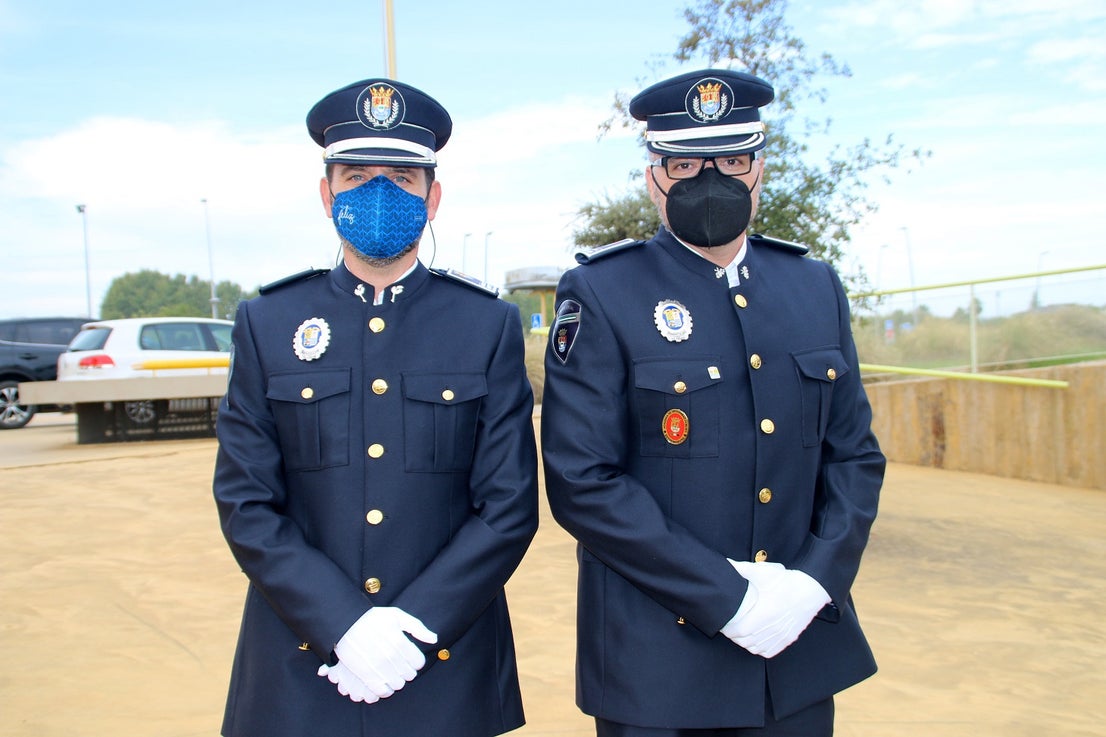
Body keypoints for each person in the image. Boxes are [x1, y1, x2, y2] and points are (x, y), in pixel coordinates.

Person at [540, 68, 886, 736]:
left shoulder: (813, 287)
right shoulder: (603, 291)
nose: (710, 181)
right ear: (653, 178)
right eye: (685, 164)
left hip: (794, 657)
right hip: (656, 669)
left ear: (760, 169)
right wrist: (730, 598)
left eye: (731, 160)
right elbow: (582, 481)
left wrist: (815, 582)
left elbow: (855, 458)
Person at [212, 78, 539, 737]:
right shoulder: (268, 322)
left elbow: (507, 507)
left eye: (403, 177)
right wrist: (343, 624)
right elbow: (247, 502)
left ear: (434, 197)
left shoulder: (486, 326)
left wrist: (414, 626)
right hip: (299, 674)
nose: (380, 192)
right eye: (358, 175)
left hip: (445, 671)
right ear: (326, 193)